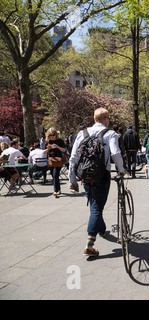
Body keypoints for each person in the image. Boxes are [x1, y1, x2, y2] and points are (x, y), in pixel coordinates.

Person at [69, 107, 126, 257]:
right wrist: (121, 170)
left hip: (85, 176)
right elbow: (115, 153)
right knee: (96, 209)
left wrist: (72, 179)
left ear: (95, 119)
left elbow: (73, 157)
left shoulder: (82, 134)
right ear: (106, 119)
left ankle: (101, 230)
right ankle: (89, 244)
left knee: (95, 205)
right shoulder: (110, 133)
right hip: (102, 176)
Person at [43, 128, 66, 197]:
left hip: (58, 160)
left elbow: (64, 150)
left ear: (56, 135)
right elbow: (44, 152)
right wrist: (48, 149)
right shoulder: (48, 142)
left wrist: (58, 147)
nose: (52, 137)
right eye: (50, 135)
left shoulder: (60, 141)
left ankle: (55, 190)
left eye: (53, 135)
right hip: (50, 160)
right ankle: (58, 189)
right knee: (53, 175)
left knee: (56, 174)